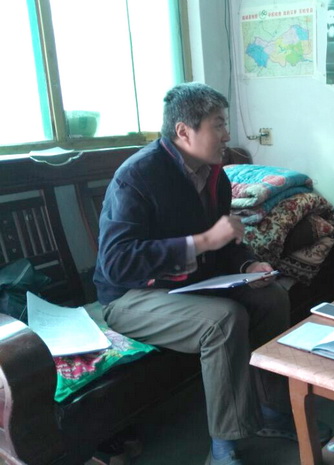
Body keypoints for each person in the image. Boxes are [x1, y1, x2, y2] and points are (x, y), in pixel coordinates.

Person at [94, 82, 298, 465]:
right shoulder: (136, 177)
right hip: (130, 297)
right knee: (222, 320)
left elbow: (226, 244)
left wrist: (248, 265)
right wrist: (202, 241)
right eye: (218, 124)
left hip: (190, 285)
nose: (227, 135)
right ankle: (224, 443)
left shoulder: (214, 176)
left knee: (272, 296)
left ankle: (271, 410)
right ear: (184, 131)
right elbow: (117, 263)